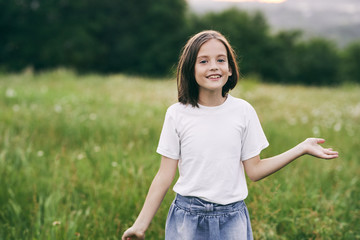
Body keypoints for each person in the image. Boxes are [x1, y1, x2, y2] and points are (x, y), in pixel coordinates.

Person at [121, 30, 339, 240]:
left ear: (231, 69)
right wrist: (140, 225)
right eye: (203, 61)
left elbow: (254, 170)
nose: (214, 67)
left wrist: (301, 148)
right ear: (190, 69)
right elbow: (164, 176)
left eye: (221, 60)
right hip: (187, 217)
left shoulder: (243, 111)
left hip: (232, 219)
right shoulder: (177, 114)